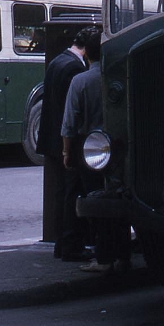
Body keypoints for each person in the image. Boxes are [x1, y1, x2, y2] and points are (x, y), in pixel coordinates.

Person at [61, 28, 131, 273]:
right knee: (120, 202)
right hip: (120, 148)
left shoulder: (80, 81)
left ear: (86, 54)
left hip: (90, 150)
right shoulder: (121, 78)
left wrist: (66, 153)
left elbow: (70, 123)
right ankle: (123, 256)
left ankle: (104, 258)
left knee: (97, 204)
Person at [37, 27, 90, 261]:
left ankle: (61, 243)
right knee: (72, 194)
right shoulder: (75, 68)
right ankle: (70, 244)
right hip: (65, 140)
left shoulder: (58, 61)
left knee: (62, 193)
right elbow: (72, 112)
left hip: (51, 139)